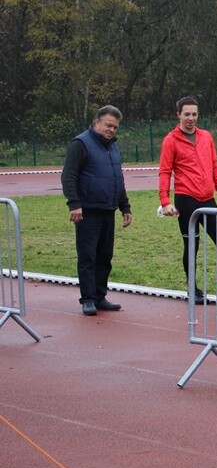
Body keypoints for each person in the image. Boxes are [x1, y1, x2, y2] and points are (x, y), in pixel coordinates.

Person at [158, 95, 217, 303]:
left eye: (194, 114)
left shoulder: (206, 136)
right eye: (187, 114)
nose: (191, 118)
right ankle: (193, 289)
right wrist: (165, 201)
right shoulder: (171, 140)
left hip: (208, 199)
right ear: (178, 115)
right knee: (192, 245)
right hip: (186, 199)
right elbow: (165, 171)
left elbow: (214, 165)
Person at [61, 105, 133, 316]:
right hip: (87, 211)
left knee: (104, 256)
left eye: (115, 127)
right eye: (108, 125)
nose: (111, 130)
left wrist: (125, 206)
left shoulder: (113, 147)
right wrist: (74, 204)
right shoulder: (80, 144)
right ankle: (88, 299)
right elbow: (69, 175)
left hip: (108, 209)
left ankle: (100, 296)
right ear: (96, 122)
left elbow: (117, 178)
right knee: (88, 256)